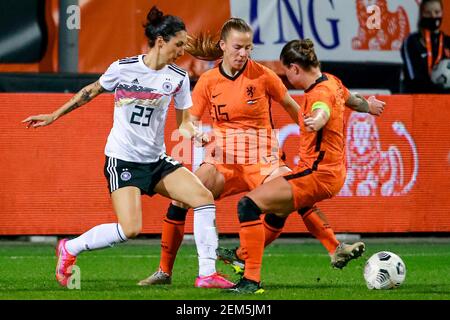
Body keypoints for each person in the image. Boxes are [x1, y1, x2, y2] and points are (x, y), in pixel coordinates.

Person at [138, 18, 382, 287]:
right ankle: (164, 272)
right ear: (223, 46)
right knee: (180, 199)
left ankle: (334, 248)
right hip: (223, 162)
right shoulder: (208, 81)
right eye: (238, 47)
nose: (243, 54)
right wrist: (196, 134)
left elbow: (291, 105)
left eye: (248, 48)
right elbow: (187, 124)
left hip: (263, 161)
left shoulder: (263, 75)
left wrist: (313, 125)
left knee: (295, 194)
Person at [22, 6, 233, 289]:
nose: (182, 50)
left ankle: (206, 274)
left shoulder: (178, 79)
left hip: (157, 161)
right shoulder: (123, 69)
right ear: (161, 41)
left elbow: (183, 124)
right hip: (123, 161)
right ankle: (70, 248)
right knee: (130, 229)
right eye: (178, 44)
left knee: (203, 198)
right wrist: (53, 115)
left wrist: (196, 134)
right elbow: (89, 92)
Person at [225, 38, 386, 293]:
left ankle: (250, 278)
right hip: (330, 172)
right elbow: (353, 100)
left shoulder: (318, 93)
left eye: (286, 71)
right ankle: (333, 248)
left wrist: (318, 121)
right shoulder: (332, 81)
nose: (286, 77)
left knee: (248, 205)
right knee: (280, 209)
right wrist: (370, 106)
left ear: (295, 68)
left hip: (318, 173)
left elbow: (322, 110)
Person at [401, 0, 450, 93]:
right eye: (428, 13)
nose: (433, 16)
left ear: (442, 13)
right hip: (417, 100)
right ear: (421, 14)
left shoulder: (447, 42)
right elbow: (414, 78)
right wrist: (439, 90)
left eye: (437, 12)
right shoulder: (411, 41)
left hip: (445, 102)